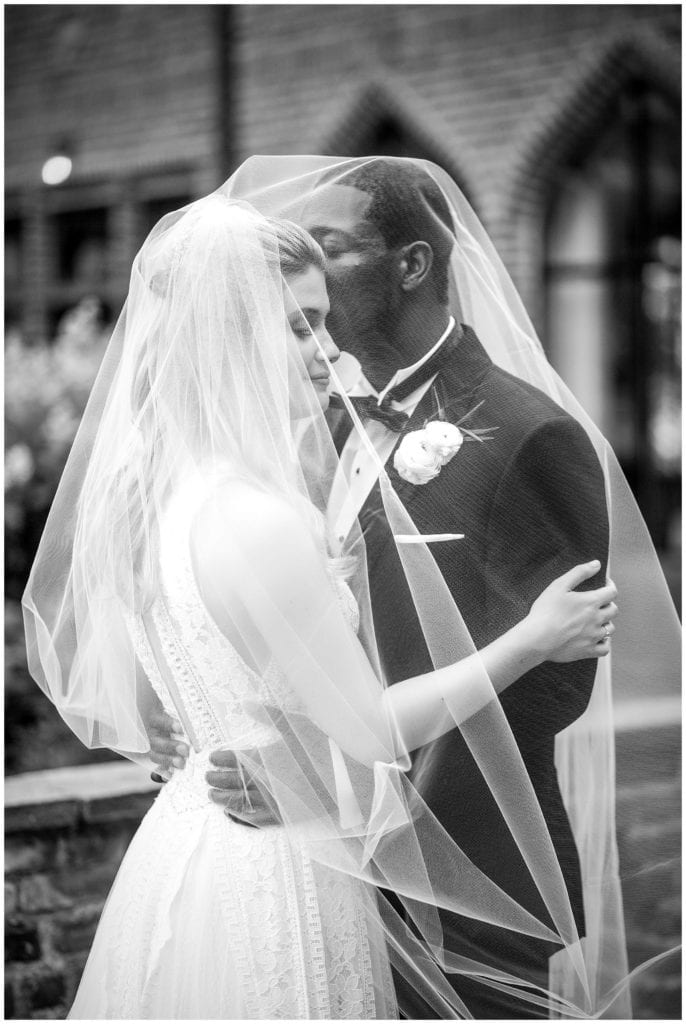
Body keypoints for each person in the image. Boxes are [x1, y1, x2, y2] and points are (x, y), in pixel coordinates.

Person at [23, 194, 620, 1019]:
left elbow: (558, 694)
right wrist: (527, 640)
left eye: (322, 319)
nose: (327, 347)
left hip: (432, 862)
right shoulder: (256, 502)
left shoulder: (160, 492)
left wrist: (306, 773)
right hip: (280, 868)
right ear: (227, 334)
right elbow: (353, 714)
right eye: (302, 324)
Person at [151, 156, 680, 1018]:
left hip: (466, 872)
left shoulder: (529, 430)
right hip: (315, 867)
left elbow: (556, 681)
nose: (310, 268)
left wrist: (318, 773)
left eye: (331, 247)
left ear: (412, 265)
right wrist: (217, 719)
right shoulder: (303, 426)